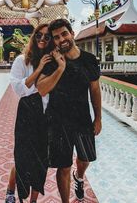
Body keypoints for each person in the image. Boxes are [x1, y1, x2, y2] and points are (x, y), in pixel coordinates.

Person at [36, 19, 102, 202]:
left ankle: (79, 178)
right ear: (54, 41)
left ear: (72, 33)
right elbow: (41, 89)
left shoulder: (89, 60)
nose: (61, 39)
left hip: (82, 120)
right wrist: (60, 67)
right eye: (56, 37)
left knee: (85, 158)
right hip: (57, 122)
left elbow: (95, 90)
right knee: (63, 166)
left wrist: (98, 119)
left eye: (64, 34)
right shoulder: (51, 61)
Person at [6, 23, 52, 203]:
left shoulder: (53, 60)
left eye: (47, 36)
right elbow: (19, 88)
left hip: (46, 113)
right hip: (27, 112)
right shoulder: (22, 60)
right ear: (33, 37)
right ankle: (11, 191)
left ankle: (32, 201)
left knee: (41, 160)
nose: (42, 39)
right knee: (22, 157)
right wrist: (39, 68)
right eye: (39, 35)